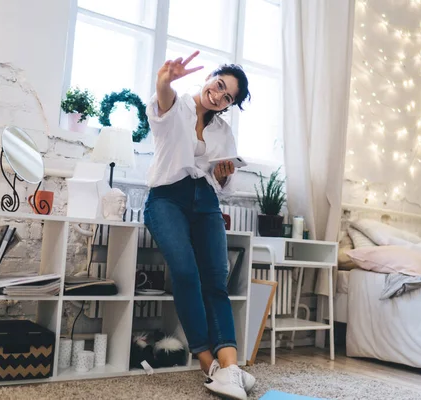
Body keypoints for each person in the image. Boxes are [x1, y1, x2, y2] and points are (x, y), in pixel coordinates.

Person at [143, 51, 255, 400]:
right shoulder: (176, 107)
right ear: (210, 78)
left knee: (215, 282)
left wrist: (223, 176)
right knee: (186, 274)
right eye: (220, 85)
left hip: (205, 202)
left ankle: (231, 368)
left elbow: (227, 187)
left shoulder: (223, 131)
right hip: (166, 199)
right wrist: (165, 79)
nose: (220, 96)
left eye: (228, 97)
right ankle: (209, 364)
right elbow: (162, 102)